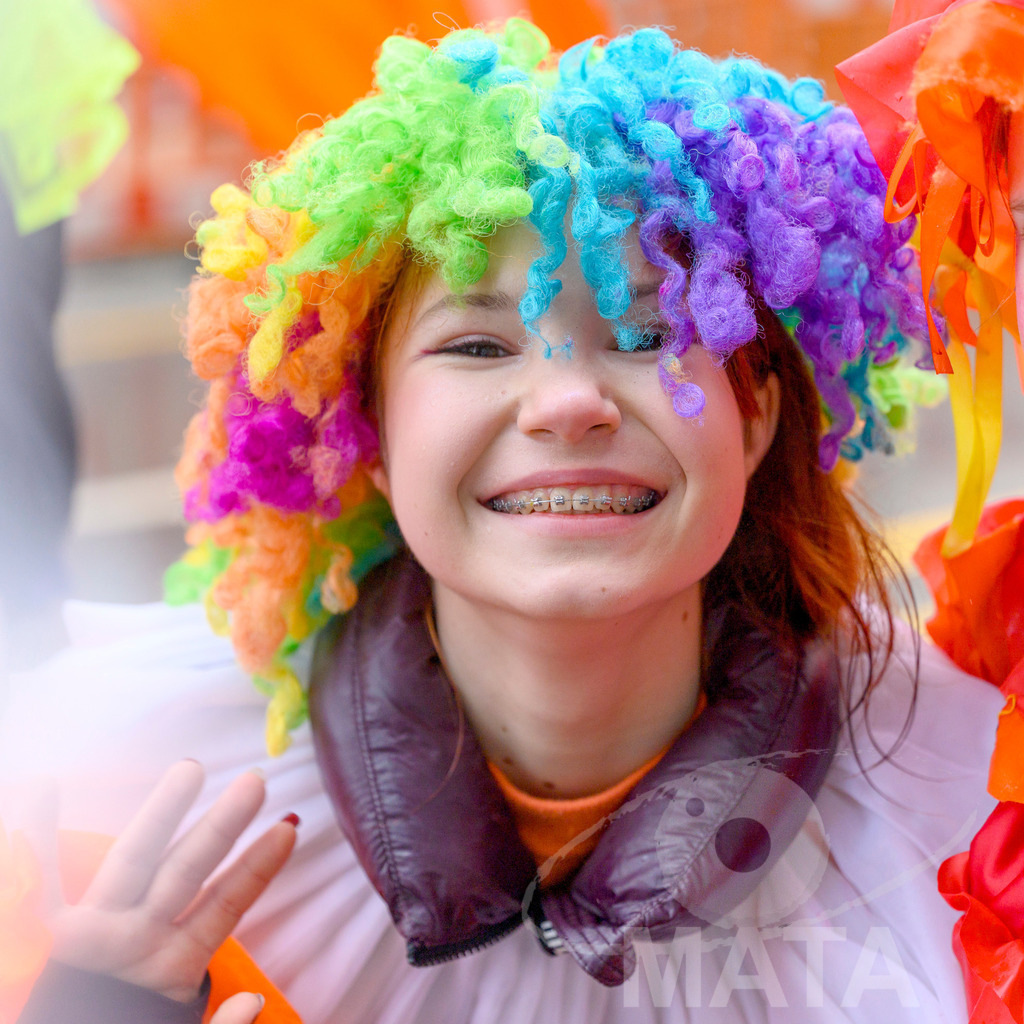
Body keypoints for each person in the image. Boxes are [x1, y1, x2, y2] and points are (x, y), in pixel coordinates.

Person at [1, 19, 1004, 1023]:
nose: (567, 403)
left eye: (644, 332)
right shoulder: (92, 794)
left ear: (754, 415)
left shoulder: (972, 822)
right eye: (479, 345)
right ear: (374, 436)